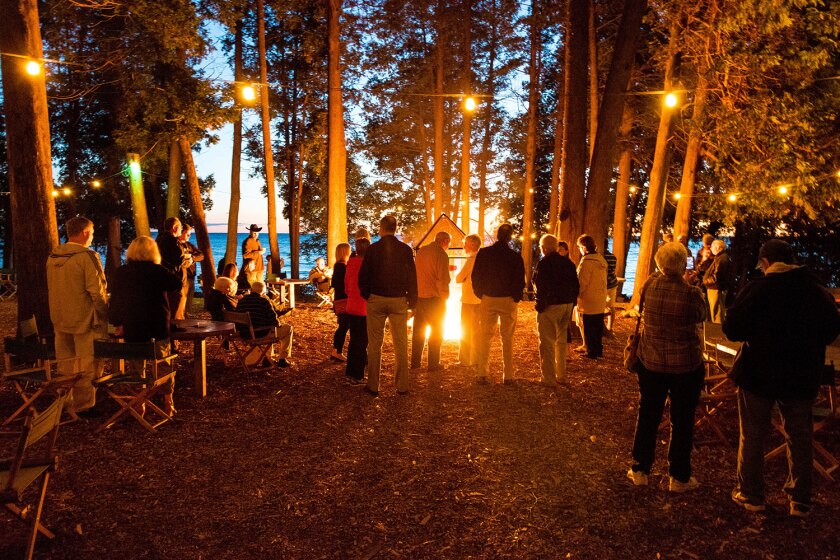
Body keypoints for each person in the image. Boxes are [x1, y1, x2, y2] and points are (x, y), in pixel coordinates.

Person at [724, 239, 840, 517]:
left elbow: (732, 328)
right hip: (801, 375)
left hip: (758, 373)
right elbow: (832, 330)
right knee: (799, 435)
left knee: (752, 434)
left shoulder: (758, 290)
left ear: (766, 263)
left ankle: (751, 495)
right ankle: (800, 499)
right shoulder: (815, 291)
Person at [627, 242, 706, 492]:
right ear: (683, 264)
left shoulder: (649, 285)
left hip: (650, 361)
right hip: (685, 365)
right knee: (682, 419)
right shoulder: (691, 293)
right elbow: (701, 316)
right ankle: (679, 476)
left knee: (648, 413)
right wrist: (693, 283)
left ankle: (640, 469)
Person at [109, 236, 183, 415]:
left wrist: (117, 322)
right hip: (157, 323)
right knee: (163, 362)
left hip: (133, 323)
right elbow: (177, 283)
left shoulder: (123, 272)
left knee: (136, 364)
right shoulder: (158, 270)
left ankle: (139, 401)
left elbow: (116, 299)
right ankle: (168, 401)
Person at [46, 216, 109, 415]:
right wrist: (104, 314)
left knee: (65, 362)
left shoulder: (53, 256)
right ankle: (84, 405)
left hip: (60, 316)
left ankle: (64, 401)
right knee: (87, 363)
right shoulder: (87, 257)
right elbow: (97, 291)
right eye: (91, 233)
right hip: (85, 319)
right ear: (84, 233)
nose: (92, 237)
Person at [358, 215, 418, 396]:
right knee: (400, 343)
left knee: (375, 343)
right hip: (399, 299)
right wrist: (413, 302)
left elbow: (364, 275)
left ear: (381, 228)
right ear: (395, 228)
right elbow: (412, 277)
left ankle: (374, 385)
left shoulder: (372, 249)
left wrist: (366, 294)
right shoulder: (405, 250)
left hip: (376, 298)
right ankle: (402, 385)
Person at [471, 223, 525, 384]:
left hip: (488, 297)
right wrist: (515, 297)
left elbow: (476, 276)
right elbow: (519, 280)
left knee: (485, 336)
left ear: (497, 235)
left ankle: (482, 373)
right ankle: (508, 376)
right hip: (507, 299)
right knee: (507, 337)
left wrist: (480, 293)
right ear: (510, 237)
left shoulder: (485, 253)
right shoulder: (515, 256)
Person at [533, 234, 579, 387]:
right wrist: (572, 302)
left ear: (544, 248)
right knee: (561, 342)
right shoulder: (568, 263)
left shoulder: (544, 263)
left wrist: (540, 306)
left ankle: (549, 378)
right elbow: (576, 285)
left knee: (546, 342)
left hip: (551, 306)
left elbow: (541, 286)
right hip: (567, 305)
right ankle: (562, 375)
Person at [411, 231, 451, 372]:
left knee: (418, 332)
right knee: (436, 331)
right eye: (449, 243)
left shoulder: (422, 251)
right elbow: (443, 279)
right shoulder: (441, 254)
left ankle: (415, 363)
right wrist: (445, 296)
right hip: (434, 299)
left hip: (420, 297)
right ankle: (433, 364)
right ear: (444, 241)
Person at [235, 281, 293, 368]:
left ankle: (267, 359)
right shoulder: (264, 301)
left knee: (270, 329)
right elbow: (275, 322)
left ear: (251, 290)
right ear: (263, 292)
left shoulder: (241, 301)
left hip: (244, 333)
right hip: (259, 334)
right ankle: (282, 359)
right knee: (288, 329)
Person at [575, 235, 608, 359]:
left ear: (584, 247)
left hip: (589, 298)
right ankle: (598, 350)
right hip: (600, 296)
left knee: (588, 326)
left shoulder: (587, 262)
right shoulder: (600, 260)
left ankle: (591, 351)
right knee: (598, 325)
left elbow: (582, 282)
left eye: (579, 247)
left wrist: (577, 295)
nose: (579, 249)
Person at [344, 237, 370, 383]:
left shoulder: (350, 263)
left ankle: (351, 370)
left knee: (354, 340)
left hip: (351, 305)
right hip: (364, 307)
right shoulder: (367, 264)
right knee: (362, 341)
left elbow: (346, 286)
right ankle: (358, 375)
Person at [156, 217, 190, 321]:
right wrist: (189, 260)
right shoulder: (172, 240)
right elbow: (178, 260)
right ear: (175, 228)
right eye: (180, 227)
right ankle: (172, 331)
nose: (181, 229)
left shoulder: (159, 239)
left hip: (162, 278)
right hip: (172, 278)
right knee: (173, 307)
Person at [456, 234, 482, 368]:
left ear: (472, 244)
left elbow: (459, 278)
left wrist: (462, 278)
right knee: (477, 330)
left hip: (469, 300)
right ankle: (476, 358)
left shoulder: (471, 259)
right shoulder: (482, 259)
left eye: (466, 243)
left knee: (465, 329)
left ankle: (465, 359)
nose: (464, 246)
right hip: (480, 300)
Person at [703, 239, 735, 324]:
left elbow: (716, 277)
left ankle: (718, 334)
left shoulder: (721, 259)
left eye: (713, 247)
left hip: (716, 289)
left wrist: (705, 281)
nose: (711, 249)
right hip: (716, 288)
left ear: (718, 248)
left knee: (717, 314)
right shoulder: (720, 258)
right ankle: (716, 333)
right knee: (715, 312)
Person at [330, 243, 352, 361]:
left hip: (339, 299)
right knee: (344, 326)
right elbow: (344, 284)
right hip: (344, 300)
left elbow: (334, 284)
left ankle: (336, 351)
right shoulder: (342, 267)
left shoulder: (338, 266)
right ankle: (337, 351)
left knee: (343, 326)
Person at [177, 224, 204, 319]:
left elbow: (201, 255)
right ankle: (179, 319)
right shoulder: (177, 245)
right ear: (181, 232)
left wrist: (192, 258)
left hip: (191, 276)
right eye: (187, 234)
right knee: (182, 301)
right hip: (183, 278)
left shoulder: (189, 245)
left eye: (190, 234)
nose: (189, 236)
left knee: (188, 301)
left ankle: (185, 316)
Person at [603, 243, 618, 334]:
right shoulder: (612, 256)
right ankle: (610, 327)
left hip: (604, 284)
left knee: (601, 306)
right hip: (613, 283)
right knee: (611, 306)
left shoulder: (600, 256)